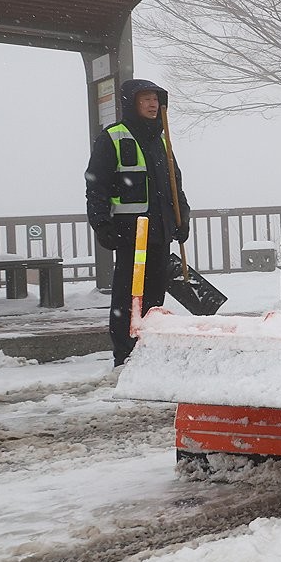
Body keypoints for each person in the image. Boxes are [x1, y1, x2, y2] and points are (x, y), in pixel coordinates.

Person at [85, 79, 190, 367]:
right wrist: (101, 223)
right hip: (130, 233)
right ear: (131, 103)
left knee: (155, 294)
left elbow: (174, 183)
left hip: (161, 231)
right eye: (145, 99)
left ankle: (150, 347)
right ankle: (125, 354)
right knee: (127, 295)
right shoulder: (113, 137)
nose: (153, 104)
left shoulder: (162, 138)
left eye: (156, 99)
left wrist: (183, 216)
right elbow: (96, 186)